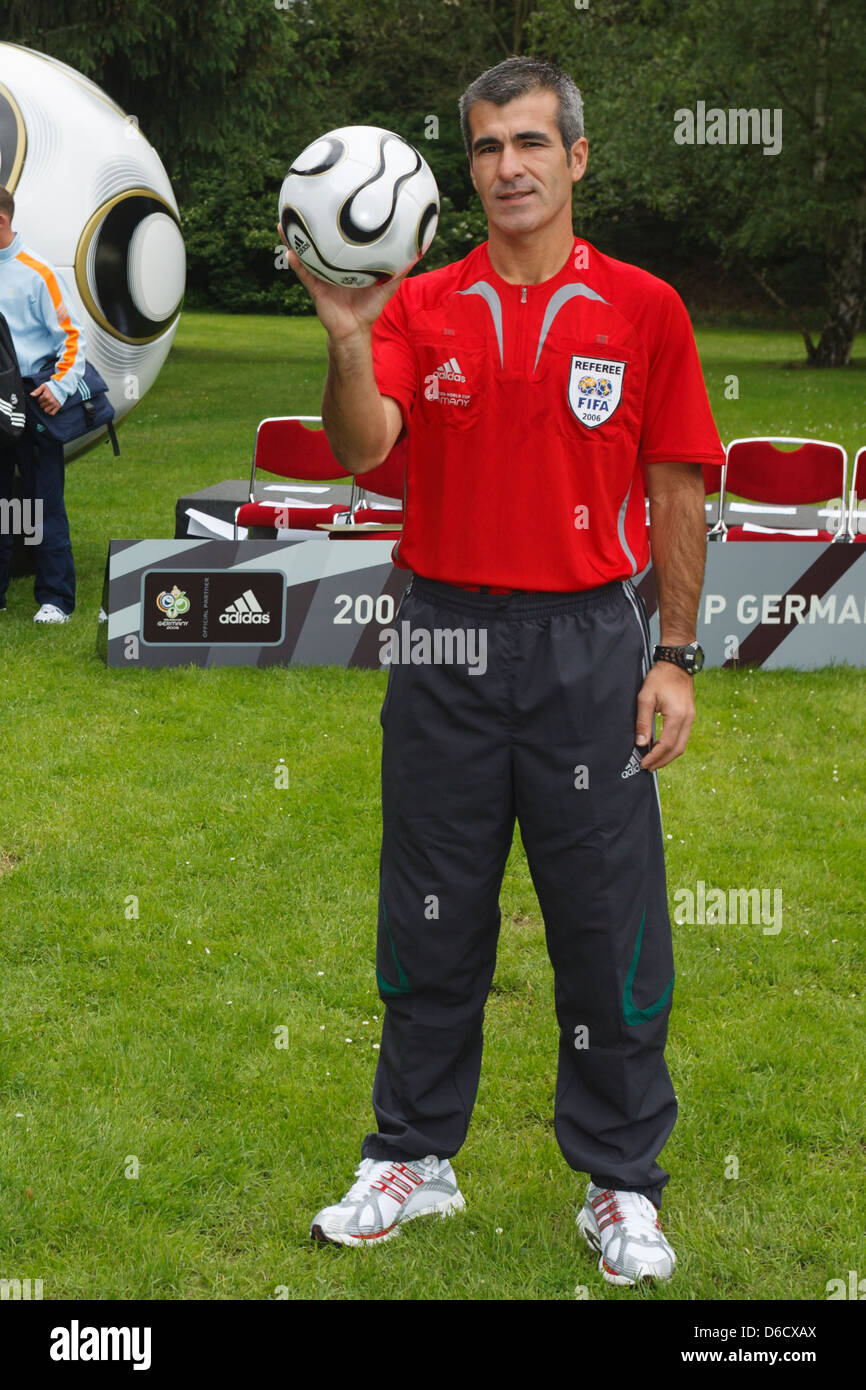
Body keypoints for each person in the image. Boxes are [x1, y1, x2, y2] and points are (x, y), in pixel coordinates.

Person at [284, 57, 724, 1286]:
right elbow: (364, 451)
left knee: (603, 919)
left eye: (530, 142)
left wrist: (674, 656)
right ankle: (412, 1157)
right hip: (440, 636)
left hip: (589, 643)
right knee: (429, 908)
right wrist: (346, 337)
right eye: (485, 147)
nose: (508, 166)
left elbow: (677, 485)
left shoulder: (642, 307)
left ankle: (621, 1181)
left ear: (576, 158)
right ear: (464, 166)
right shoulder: (419, 304)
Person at [0, 184, 86, 623]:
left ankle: (55, 599)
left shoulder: (38, 273)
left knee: (42, 502)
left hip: (34, 401)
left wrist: (60, 386)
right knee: (4, 505)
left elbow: (73, 338)